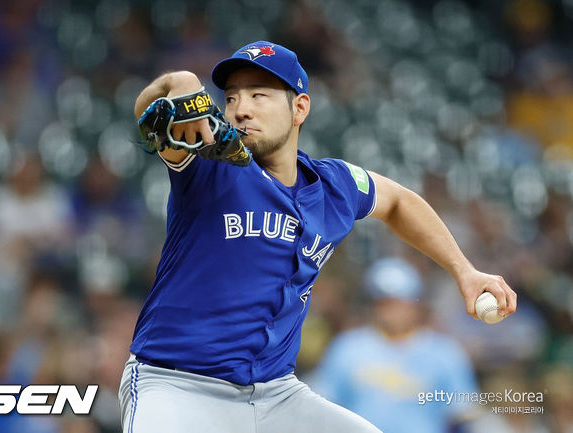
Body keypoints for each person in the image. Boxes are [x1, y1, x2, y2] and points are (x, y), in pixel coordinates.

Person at [119, 41, 517, 433]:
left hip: (274, 395)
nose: (241, 109)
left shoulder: (335, 186)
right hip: (177, 386)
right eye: (232, 98)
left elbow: (399, 202)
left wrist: (465, 271)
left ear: (300, 108)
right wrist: (179, 82)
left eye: (259, 95)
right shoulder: (209, 167)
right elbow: (151, 117)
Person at [312, 257, 479, 433]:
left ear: (415, 305)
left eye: (398, 302)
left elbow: (461, 417)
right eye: (383, 302)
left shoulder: (445, 352)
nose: (390, 311)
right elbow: (325, 408)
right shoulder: (347, 347)